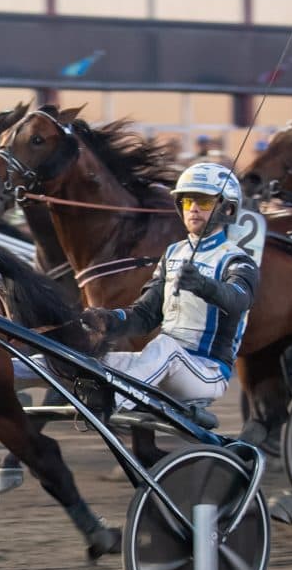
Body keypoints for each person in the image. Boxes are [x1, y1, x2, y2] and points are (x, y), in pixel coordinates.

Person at [80, 162, 260, 408]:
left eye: (204, 202)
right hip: (164, 364)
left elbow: (239, 300)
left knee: (165, 346)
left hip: (206, 372)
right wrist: (108, 320)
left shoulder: (237, 259)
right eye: (188, 202)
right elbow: (145, 315)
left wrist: (203, 285)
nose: (194, 208)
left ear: (227, 210)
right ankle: (14, 380)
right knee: (84, 358)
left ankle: (115, 401)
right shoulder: (173, 253)